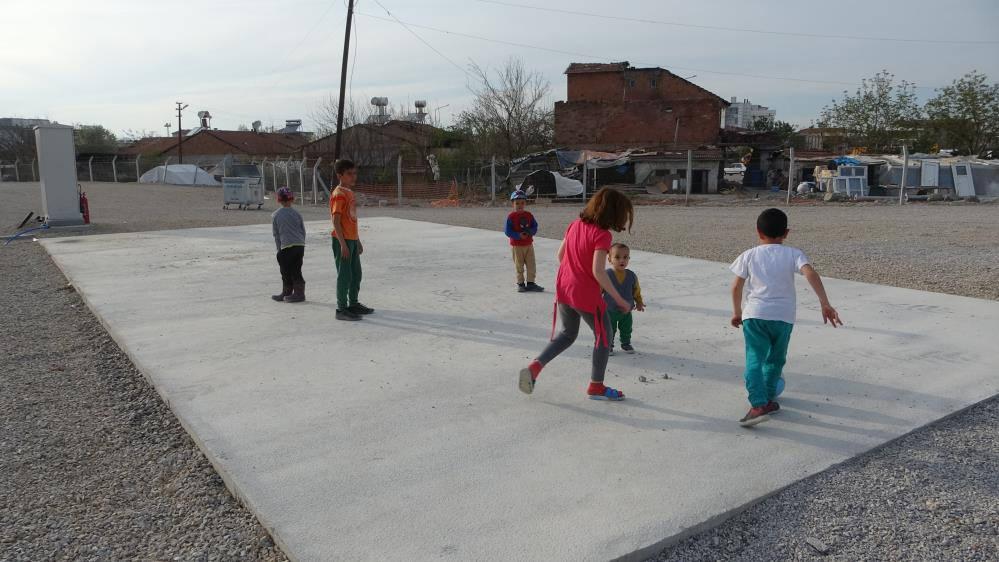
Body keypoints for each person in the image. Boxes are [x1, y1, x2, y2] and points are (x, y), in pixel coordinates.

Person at [518, 187, 634, 401]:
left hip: (565, 288)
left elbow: (561, 255)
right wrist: (620, 299)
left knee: (568, 334)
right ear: (614, 212)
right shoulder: (602, 235)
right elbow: (598, 271)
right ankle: (596, 386)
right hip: (585, 295)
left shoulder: (575, 225)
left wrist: (575, 273)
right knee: (604, 336)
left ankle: (535, 367)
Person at [730, 208, 842, 427]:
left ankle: (758, 404)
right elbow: (810, 273)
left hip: (755, 316)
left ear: (758, 232)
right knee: (775, 359)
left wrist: (737, 312)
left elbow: (736, 286)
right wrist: (825, 303)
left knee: (755, 358)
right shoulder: (793, 253)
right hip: (783, 318)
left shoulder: (749, 255)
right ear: (786, 232)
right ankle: (769, 398)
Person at [330, 159, 374, 321]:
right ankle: (341, 309)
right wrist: (343, 244)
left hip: (352, 240)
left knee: (356, 274)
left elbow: (351, 220)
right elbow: (336, 221)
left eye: (355, 173)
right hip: (342, 241)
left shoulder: (349, 192)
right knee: (344, 275)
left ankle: (353, 303)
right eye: (349, 174)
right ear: (340, 175)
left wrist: (357, 240)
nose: (353, 176)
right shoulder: (339, 194)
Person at [603, 243, 645, 354]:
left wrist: (639, 302)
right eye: (617, 257)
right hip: (609, 310)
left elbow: (636, 290)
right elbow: (598, 291)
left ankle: (626, 343)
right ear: (609, 259)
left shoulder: (631, 276)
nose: (622, 260)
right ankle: (609, 345)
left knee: (626, 328)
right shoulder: (606, 275)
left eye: (625, 257)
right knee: (609, 329)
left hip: (626, 312)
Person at [271, 187, 306, 303]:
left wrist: (278, 250)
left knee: (285, 270)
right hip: (299, 245)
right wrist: (301, 244)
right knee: (296, 269)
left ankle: (287, 291)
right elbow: (302, 230)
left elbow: (276, 234)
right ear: (292, 199)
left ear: (279, 200)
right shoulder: (297, 213)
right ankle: (299, 293)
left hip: (286, 246)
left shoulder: (275, 215)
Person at [505, 189, 544, 293]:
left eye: (522, 203)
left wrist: (530, 232)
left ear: (525, 203)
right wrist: (518, 235)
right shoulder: (511, 217)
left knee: (531, 264)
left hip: (528, 245)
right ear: (512, 204)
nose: (520, 205)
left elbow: (535, 226)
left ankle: (531, 283)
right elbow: (508, 231)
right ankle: (520, 283)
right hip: (517, 246)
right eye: (517, 203)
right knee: (519, 265)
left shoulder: (529, 215)